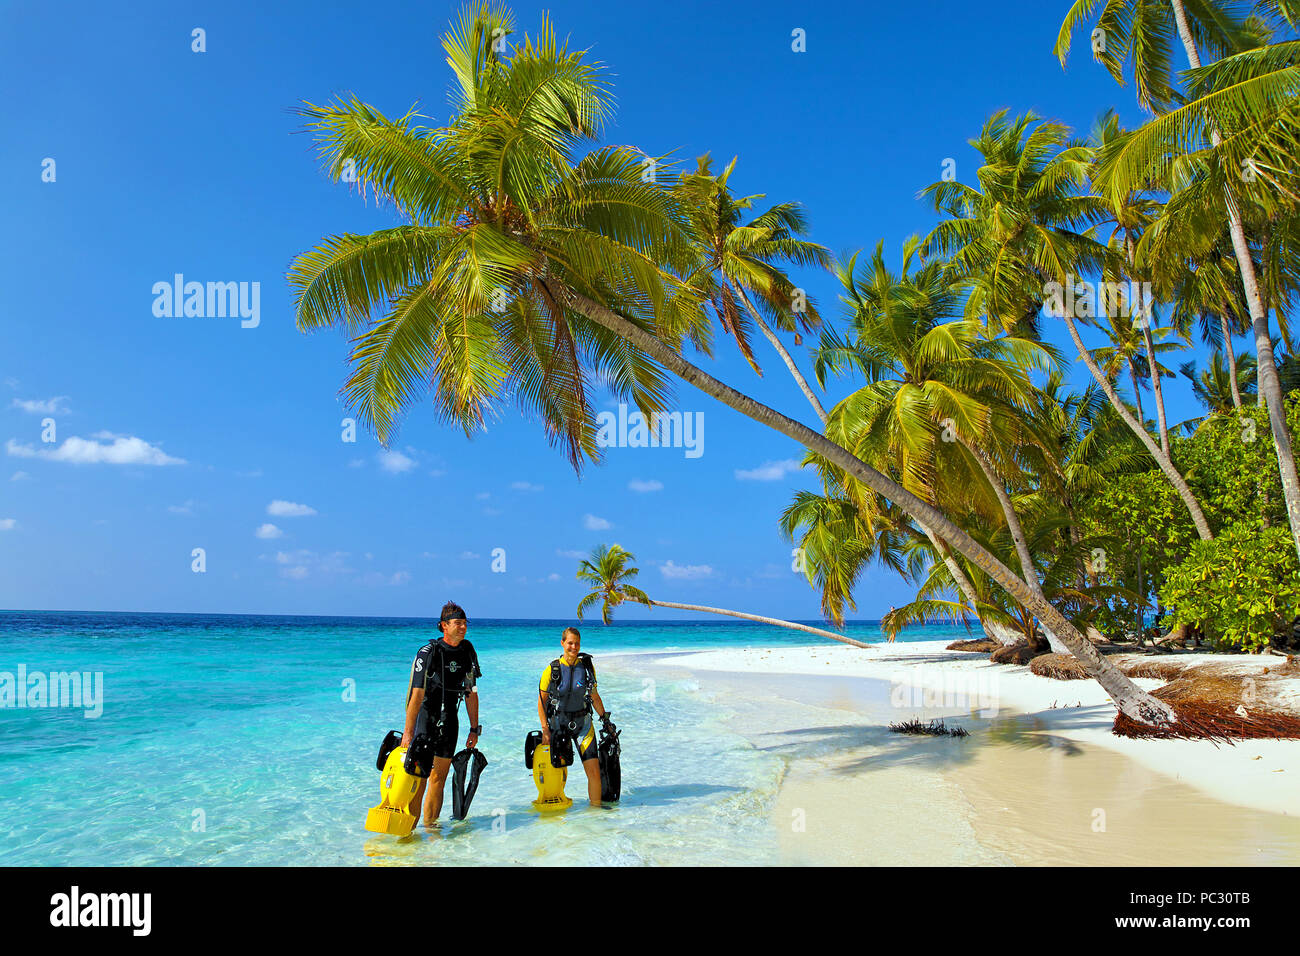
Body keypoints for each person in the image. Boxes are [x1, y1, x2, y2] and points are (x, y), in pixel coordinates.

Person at [402, 601, 482, 826]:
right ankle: (409, 828)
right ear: (443, 626)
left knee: (439, 778)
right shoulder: (428, 653)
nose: (463, 627)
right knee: (419, 777)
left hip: (450, 721)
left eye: (465, 623)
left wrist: (474, 728)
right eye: (458, 623)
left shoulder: (467, 651)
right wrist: (408, 734)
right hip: (426, 719)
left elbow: (471, 692)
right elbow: (416, 697)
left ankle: (431, 829)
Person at [537, 627, 611, 806]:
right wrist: (545, 729)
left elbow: (594, 696)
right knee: (556, 775)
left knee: (593, 772)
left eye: (577, 643)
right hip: (558, 726)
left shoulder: (586, 667)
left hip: (583, 725)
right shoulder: (552, 669)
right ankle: (558, 816)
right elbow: (541, 702)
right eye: (570, 643)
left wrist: (606, 720)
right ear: (563, 643)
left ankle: (596, 813)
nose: (574, 647)